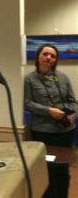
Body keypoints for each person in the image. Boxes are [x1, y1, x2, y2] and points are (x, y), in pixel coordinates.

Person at [24, 44, 76, 198]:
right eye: (45, 54)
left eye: (52, 56)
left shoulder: (63, 77)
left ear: (56, 60)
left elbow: (74, 102)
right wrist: (48, 111)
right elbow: (27, 102)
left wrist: (72, 116)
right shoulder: (29, 79)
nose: (49, 58)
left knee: (62, 170)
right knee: (46, 168)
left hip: (65, 132)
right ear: (38, 56)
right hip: (43, 133)